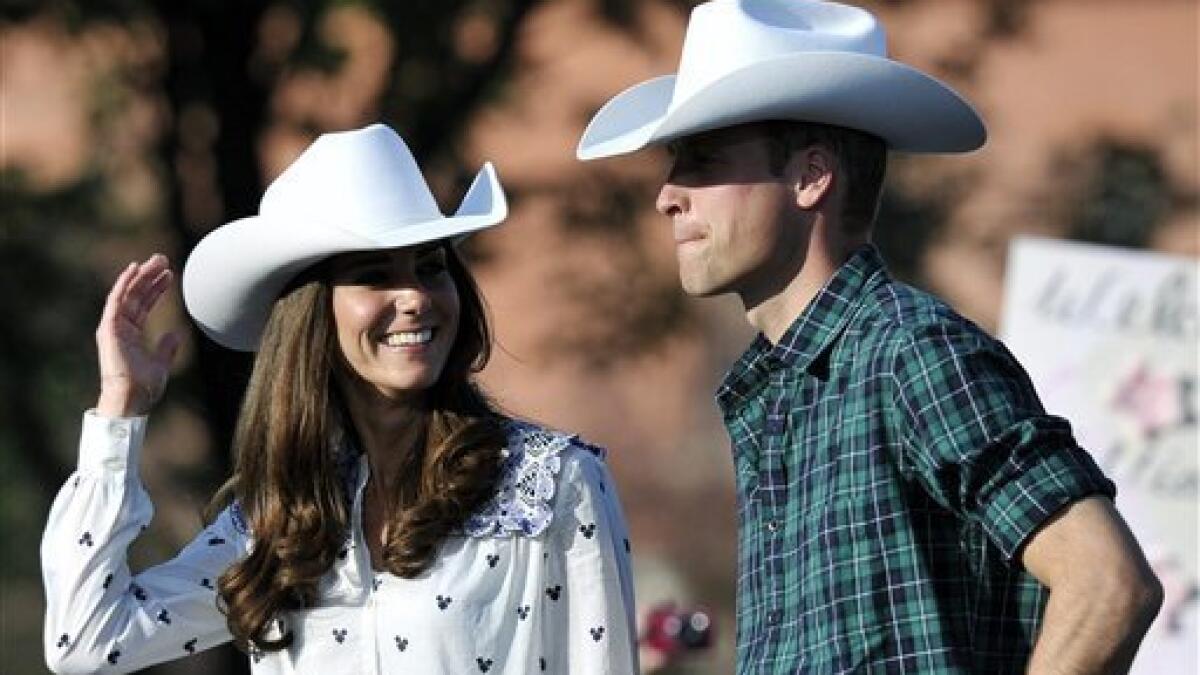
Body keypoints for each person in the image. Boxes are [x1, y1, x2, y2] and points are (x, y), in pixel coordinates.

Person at [577, 1, 1162, 673]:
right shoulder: (777, 394)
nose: (668, 195)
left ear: (811, 176)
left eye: (703, 161)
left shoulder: (912, 352)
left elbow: (1109, 584)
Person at [42, 123, 638, 674]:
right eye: (376, 274)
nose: (414, 297)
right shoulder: (276, 520)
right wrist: (120, 412)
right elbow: (86, 641)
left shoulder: (553, 484)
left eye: (430, 267)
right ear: (311, 317)